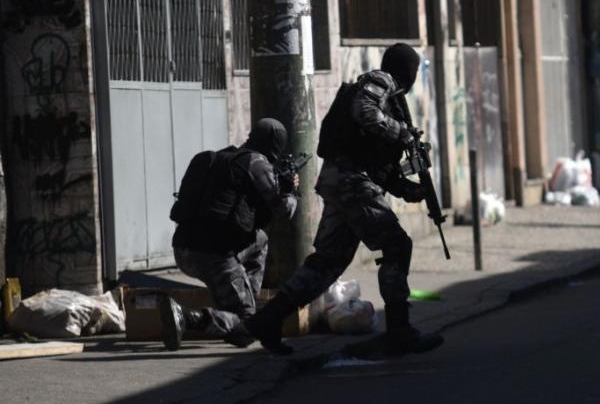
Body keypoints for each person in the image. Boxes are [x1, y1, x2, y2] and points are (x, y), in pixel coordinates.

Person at [235, 43, 443, 356]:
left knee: (327, 263)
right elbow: (365, 112)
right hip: (350, 182)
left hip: (345, 181)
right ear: (407, 71)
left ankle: (265, 321)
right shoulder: (381, 81)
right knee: (397, 245)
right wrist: (403, 133)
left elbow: (376, 164)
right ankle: (399, 330)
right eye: (413, 71)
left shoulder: (393, 98)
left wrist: (408, 189)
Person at [159, 118, 299, 351]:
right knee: (248, 327)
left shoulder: (223, 159)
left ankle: (246, 300)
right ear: (276, 145)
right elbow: (285, 211)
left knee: (260, 240)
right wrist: (292, 189)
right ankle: (188, 317)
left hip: (183, 249)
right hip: (213, 255)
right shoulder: (257, 163)